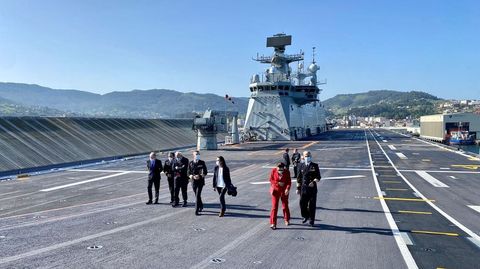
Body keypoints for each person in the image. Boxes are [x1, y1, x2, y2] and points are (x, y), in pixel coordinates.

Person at [296, 150, 321, 226]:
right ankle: (305, 215)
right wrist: (297, 188)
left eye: (309, 155)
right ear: (303, 157)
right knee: (302, 204)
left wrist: (313, 182)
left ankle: (311, 220)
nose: (307, 157)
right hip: (303, 188)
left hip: (312, 189)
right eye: (306, 156)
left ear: (311, 156)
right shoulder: (300, 165)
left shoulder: (315, 165)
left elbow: (318, 177)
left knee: (312, 205)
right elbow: (298, 178)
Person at [269, 162, 291, 230]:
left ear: (283, 168)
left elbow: (289, 182)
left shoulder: (287, 172)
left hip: (284, 191)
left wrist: (287, 189)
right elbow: (271, 180)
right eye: (278, 168)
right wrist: (277, 183)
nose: (279, 170)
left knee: (285, 206)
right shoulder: (273, 171)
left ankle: (287, 219)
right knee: (274, 207)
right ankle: (273, 223)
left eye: (281, 169)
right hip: (275, 191)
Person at [188, 150, 208, 215]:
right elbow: (188, 172)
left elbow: (205, 172)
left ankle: (196, 210)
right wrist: (192, 176)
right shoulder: (190, 163)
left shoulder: (202, 162)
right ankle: (201, 205)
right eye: (196, 154)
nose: (198, 155)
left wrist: (200, 176)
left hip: (200, 181)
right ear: (193, 155)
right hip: (193, 181)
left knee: (197, 195)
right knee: (197, 195)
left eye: (198, 154)